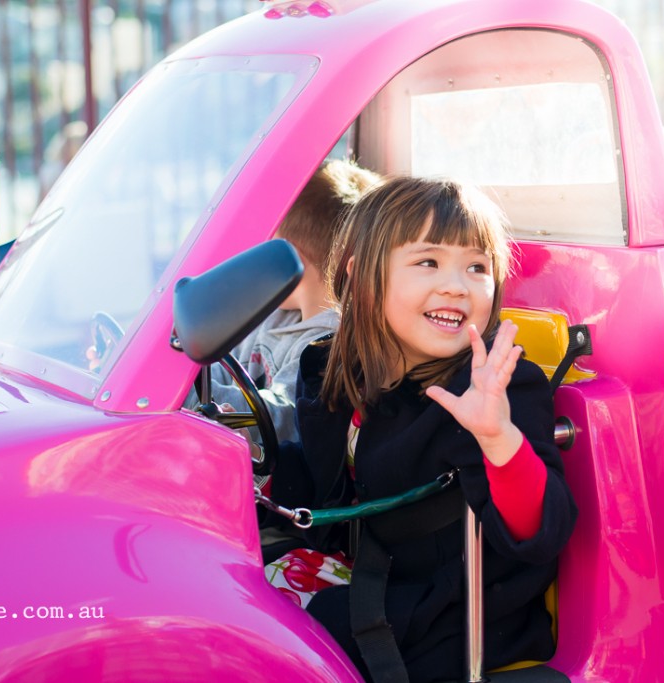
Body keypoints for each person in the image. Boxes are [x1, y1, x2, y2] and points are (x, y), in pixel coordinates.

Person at [266, 176, 578, 682]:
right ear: (362, 278)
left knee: (262, 642)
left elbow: (539, 531)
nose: (456, 284)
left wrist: (499, 439)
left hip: (455, 616)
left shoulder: (494, 388)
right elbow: (324, 478)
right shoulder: (340, 370)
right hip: (372, 576)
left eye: (477, 267)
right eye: (428, 262)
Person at [188, 159, 380, 445]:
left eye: (267, 244)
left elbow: (280, 418)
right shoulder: (275, 314)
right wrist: (184, 368)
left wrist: (190, 393)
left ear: (286, 259)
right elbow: (219, 365)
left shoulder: (326, 345)